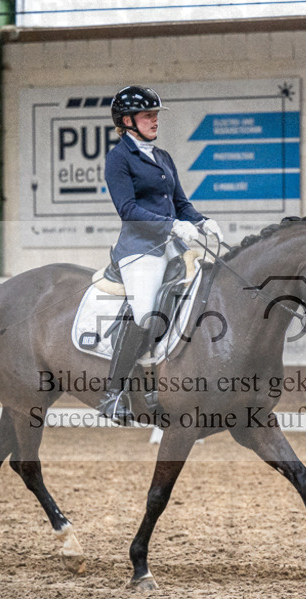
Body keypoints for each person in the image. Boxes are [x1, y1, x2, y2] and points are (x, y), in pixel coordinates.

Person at [99, 85, 222, 424]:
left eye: (155, 115)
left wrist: (201, 220)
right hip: (140, 249)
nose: (154, 120)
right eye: (147, 115)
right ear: (127, 121)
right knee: (145, 313)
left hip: (172, 245)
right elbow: (127, 209)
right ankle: (113, 393)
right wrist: (171, 226)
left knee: (201, 296)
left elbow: (181, 203)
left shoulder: (163, 156)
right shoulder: (118, 158)